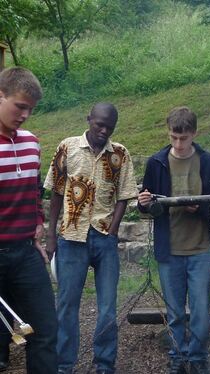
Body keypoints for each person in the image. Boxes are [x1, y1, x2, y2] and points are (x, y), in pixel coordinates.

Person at [45, 103, 136, 374]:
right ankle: (63, 365)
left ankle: (104, 364)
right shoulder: (68, 147)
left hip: (104, 238)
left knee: (108, 307)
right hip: (71, 238)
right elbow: (56, 194)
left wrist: (114, 229)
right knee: (67, 306)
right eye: (99, 124)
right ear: (89, 120)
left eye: (109, 126)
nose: (103, 130)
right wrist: (51, 235)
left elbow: (124, 194)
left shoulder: (120, 153)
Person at [137, 107, 210, 374]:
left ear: (194, 134)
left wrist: (202, 208)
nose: (178, 144)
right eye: (174, 137)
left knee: (200, 310)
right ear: (168, 132)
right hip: (169, 247)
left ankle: (197, 357)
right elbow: (148, 207)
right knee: (174, 311)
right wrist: (144, 203)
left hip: (201, 248)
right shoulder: (157, 162)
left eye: (183, 138)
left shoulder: (209, 162)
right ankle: (177, 355)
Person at [0, 66, 57, 374]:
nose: (24, 115)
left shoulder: (31, 143)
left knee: (45, 330)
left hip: (25, 253)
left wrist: (37, 224)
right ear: (0, 96)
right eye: (19, 106)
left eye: (30, 110)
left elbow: (35, 190)